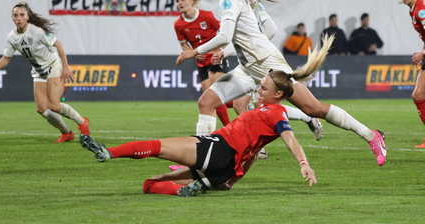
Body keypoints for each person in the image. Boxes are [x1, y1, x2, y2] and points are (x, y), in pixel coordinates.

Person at [176, 0, 387, 166]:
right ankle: (198, 161)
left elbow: (224, 36)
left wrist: (194, 51)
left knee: (313, 108)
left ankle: (372, 136)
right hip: (248, 68)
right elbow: (256, 32)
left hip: (268, 65)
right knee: (207, 101)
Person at [80, 40, 333, 195]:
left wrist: (303, 163)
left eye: (263, 88)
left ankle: (108, 152)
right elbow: (253, 152)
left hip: (217, 148)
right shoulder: (263, 113)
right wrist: (232, 180)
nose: (258, 89)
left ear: (278, 94)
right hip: (224, 169)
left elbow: (290, 140)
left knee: (158, 147)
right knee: (150, 184)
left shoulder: (276, 112)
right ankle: (191, 187)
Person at [0, 2, 90, 143]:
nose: (18, 18)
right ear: (12, 18)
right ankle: (66, 133)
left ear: (27, 17)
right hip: (38, 72)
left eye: (21, 15)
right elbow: (6, 58)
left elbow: (59, 45)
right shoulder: (12, 37)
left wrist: (65, 66)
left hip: (53, 67)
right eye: (15, 15)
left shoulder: (37, 32)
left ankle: (82, 121)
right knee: (41, 108)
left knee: (54, 106)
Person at [174, 0, 231, 128]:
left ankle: (228, 127)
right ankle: (243, 101)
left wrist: (221, 51)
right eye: (177, 1)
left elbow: (225, 34)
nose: (179, 3)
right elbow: (183, 44)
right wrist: (193, 53)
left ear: (191, 1)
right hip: (201, 63)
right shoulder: (178, 25)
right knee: (211, 99)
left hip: (216, 58)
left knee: (215, 92)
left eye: (182, 0)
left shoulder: (207, 16)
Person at [399, 0, 425, 148]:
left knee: (418, 95)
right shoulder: (414, 9)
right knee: (418, 95)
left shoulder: (420, 9)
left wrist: (422, 53)